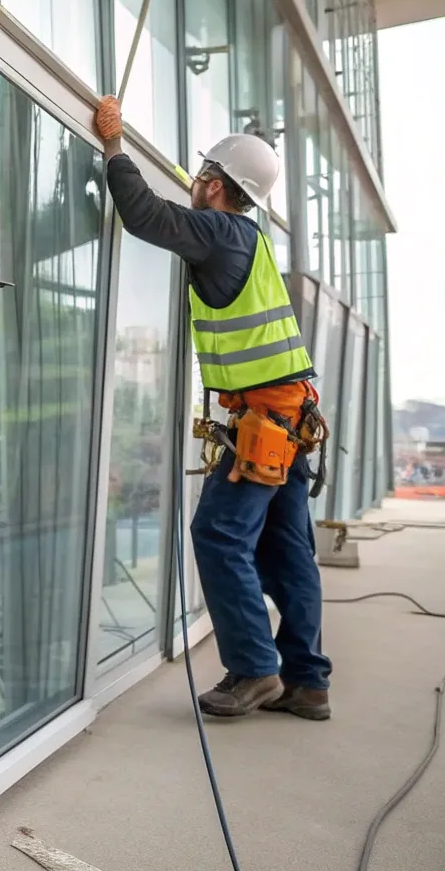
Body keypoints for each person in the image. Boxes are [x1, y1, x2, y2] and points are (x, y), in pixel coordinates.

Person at [94, 95, 333, 721]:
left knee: (219, 535)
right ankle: (308, 683)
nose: (195, 184)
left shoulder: (219, 232)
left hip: (269, 421)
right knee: (286, 551)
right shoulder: (248, 238)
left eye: (202, 176)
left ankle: (255, 671)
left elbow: (145, 215)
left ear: (216, 185)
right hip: (290, 417)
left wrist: (114, 147)